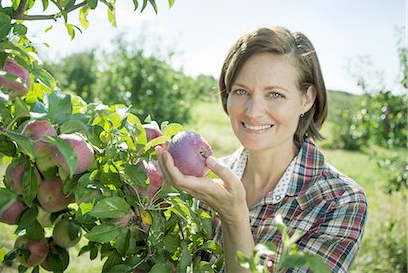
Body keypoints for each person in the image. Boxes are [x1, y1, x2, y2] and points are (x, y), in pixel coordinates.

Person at [155, 26, 367, 273]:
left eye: (275, 94)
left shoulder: (339, 201)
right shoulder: (203, 179)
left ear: (306, 99)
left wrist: (233, 217)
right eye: (241, 91)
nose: (253, 111)